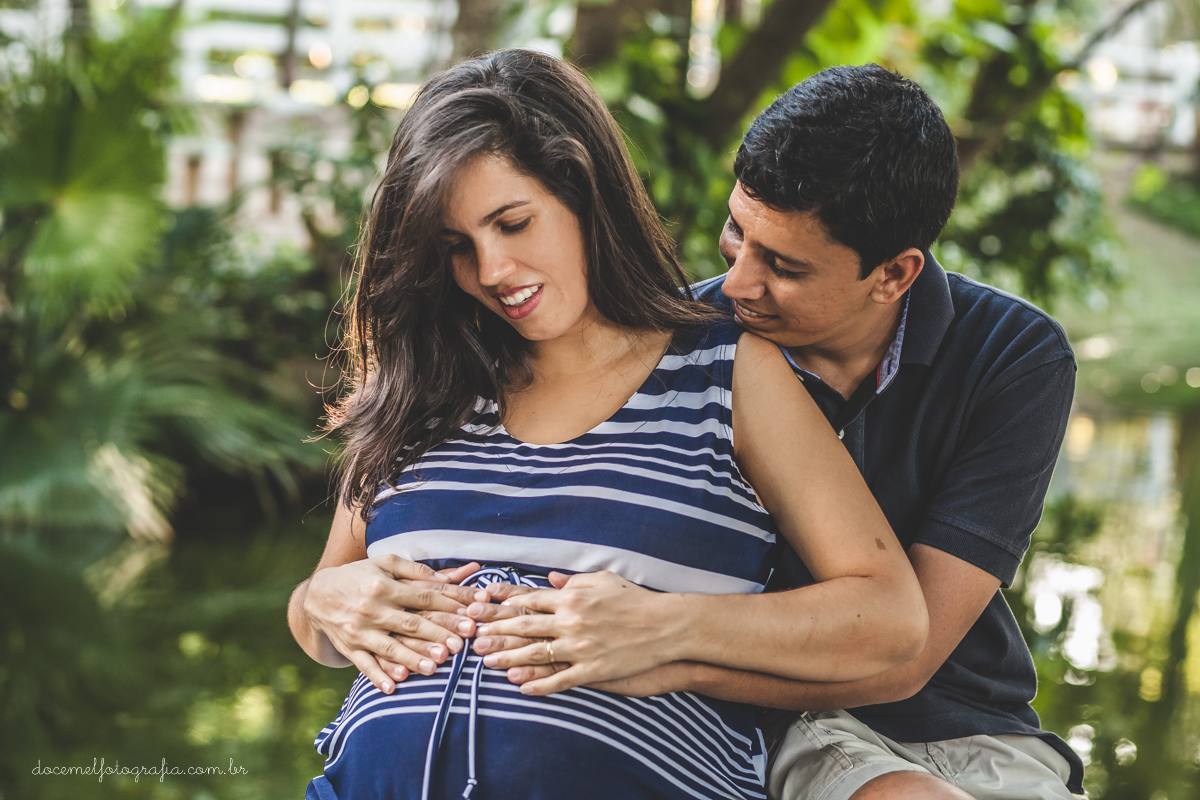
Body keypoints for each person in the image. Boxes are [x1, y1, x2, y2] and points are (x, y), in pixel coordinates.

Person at [287, 51, 927, 800]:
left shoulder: (725, 371)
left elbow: (888, 618)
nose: (491, 270)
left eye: (513, 223)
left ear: (584, 192)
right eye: (456, 246)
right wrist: (322, 602)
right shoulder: (419, 389)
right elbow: (319, 620)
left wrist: (669, 626)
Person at [476, 65, 1084, 800]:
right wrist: (350, 583)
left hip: (966, 726)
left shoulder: (1015, 356)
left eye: (784, 267)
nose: (735, 284)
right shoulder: (682, 341)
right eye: (737, 230)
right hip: (765, 721)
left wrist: (664, 654)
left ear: (894, 275)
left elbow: (906, 655)